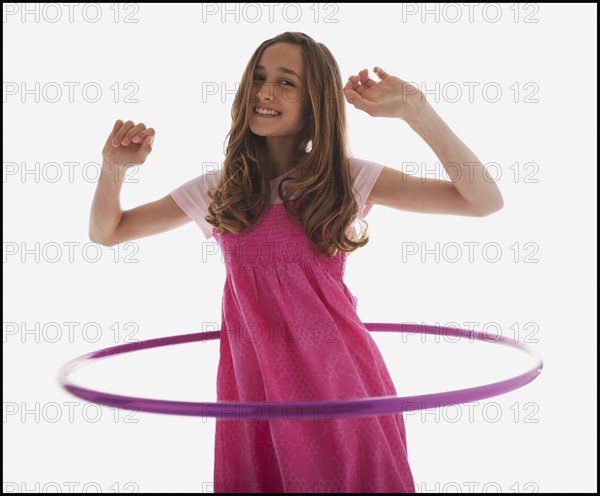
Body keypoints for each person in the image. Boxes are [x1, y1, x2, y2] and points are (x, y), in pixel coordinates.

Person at [90, 31, 503, 494]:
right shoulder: (220, 189)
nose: (265, 92)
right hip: (256, 393)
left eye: (287, 83)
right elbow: (108, 232)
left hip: (339, 385)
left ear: (316, 104)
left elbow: (482, 200)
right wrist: (114, 169)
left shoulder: (345, 178)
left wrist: (416, 110)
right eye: (259, 78)